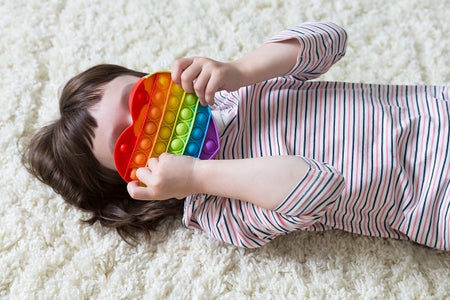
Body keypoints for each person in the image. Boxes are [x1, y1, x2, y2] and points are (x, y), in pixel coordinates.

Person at [23, 22, 449, 250]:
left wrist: (242, 69)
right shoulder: (215, 211)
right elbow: (319, 185)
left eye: (138, 98)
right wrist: (197, 175)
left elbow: (332, 39)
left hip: (435, 109)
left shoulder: (234, 88)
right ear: (137, 185)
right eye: (127, 141)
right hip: (434, 200)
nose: (153, 121)